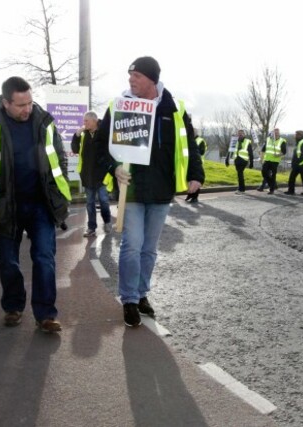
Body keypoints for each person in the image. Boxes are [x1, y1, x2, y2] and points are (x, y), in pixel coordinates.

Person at [95, 56, 204, 327]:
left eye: (137, 76)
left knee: (149, 249)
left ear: (152, 80)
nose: (131, 80)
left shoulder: (174, 108)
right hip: (130, 188)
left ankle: (142, 294)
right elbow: (100, 146)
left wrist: (195, 175)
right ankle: (129, 299)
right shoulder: (119, 106)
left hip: (161, 189)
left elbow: (189, 143)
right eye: (129, 75)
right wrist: (113, 168)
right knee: (131, 246)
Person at [0, 76, 70, 333]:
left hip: (40, 205)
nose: (27, 109)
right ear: (5, 103)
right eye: (21, 105)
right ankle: (13, 306)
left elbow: (59, 161)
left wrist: (60, 200)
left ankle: (46, 314)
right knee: (8, 261)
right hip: (6, 206)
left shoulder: (44, 122)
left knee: (45, 258)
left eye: (30, 102)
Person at [71, 111, 112, 236]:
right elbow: (75, 149)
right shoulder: (83, 134)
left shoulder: (104, 132)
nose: (84, 123)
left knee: (104, 201)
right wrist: (76, 136)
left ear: (94, 121)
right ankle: (91, 228)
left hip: (102, 175)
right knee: (90, 203)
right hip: (87, 175)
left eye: (86, 121)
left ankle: (107, 221)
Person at [284, 130, 303, 195]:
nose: (295, 136)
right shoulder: (299, 142)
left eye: (296, 135)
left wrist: (297, 162)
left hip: (302, 164)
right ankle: (291, 191)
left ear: (300, 135)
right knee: (293, 177)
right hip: (299, 164)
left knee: (302, 178)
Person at [259, 128, 287, 194]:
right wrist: (261, 158)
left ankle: (272, 190)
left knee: (273, 175)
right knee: (264, 172)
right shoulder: (268, 139)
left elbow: (284, 152)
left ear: (279, 133)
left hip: (275, 160)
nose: (276, 133)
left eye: (277, 132)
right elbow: (263, 150)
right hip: (267, 159)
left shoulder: (282, 140)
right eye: (275, 132)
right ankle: (272, 185)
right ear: (272, 133)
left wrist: (278, 155)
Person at [225, 129, 253, 194]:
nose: (240, 135)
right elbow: (230, 151)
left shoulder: (247, 141)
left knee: (240, 173)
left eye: (241, 133)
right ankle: (241, 188)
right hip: (237, 159)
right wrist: (227, 159)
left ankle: (241, 189)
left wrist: (251, 162)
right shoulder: (235, 141)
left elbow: (250, 153)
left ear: (244, 134)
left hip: (243, 160)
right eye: (239, 133)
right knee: (239, 174)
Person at [185, 130, 207, 203]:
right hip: (189, 163)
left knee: (195, 180)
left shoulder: (200, 140)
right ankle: (190, 195)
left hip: (197, 163)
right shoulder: (188, 139)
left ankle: (195, 197)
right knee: (189, 179)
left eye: (193, 132)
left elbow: (202, 151)